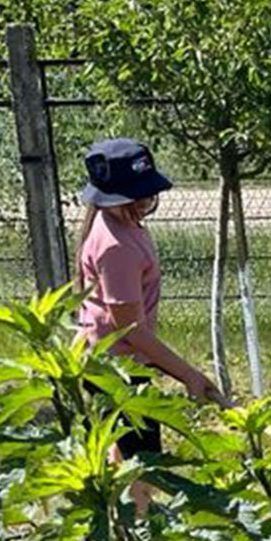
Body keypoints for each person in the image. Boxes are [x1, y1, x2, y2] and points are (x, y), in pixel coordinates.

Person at [73, 139, 223, 512]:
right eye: (136, 197)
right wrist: (188, 373)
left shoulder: (123, 225)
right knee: (142, 467)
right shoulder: (116, 246)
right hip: (117, 369)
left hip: (114, 359)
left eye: (147, 194)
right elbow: (132, 331)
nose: (144, 202)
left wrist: (176, 368)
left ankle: (125, 529)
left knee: (121, 457)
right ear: (112, 199)